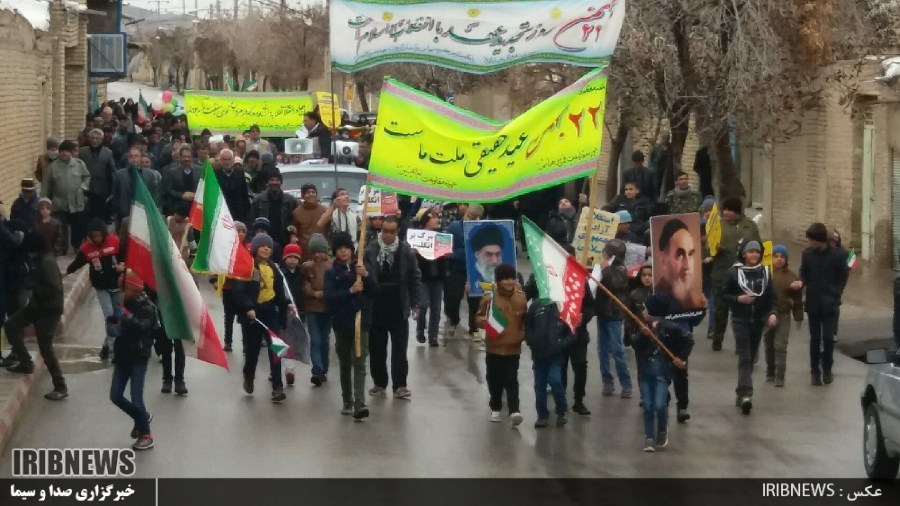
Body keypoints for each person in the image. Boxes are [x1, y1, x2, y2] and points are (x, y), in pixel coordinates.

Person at [3, 232, 68, 400]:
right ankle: (25, 362)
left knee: (46, 349)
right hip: (36, 306)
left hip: (49, 310)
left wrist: (34, 286)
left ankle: (60, 386)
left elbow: (54, 288)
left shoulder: (46, 261)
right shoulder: (38, 259)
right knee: (11, 325)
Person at [364, 216, 421, 399]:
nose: (388, 235)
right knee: (377, 349)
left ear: (397, 232)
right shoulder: (370, 250)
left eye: (392, 231)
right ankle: (379, 383)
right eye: (385, 231)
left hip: (398, 305)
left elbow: (414, 278)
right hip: (376, 306)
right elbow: (363, 278)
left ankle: (400, 385)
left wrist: (415, 303)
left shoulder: (406, 251)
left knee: (400, 349)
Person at [324, 231, 377, 419]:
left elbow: (374, 291)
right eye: (340, 248)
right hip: (341, 323)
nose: (344, 251)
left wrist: (366, 276)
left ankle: (359, 402)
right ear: (335, 251)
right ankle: (347, 400)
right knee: (345, 364)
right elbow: (329, 298)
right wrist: (350, 291)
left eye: (346, 247)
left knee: (360, 362)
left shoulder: (361, 268)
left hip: (361, 321)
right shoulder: (331, 273)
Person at [233, 233, 291, 403]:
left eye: (269, 246)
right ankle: (249, 375)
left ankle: (277, 386)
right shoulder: (248, 266)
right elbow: (239, 292)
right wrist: (248, 307)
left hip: (270, 312)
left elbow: (279, 292)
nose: (266, 249)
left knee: (276, 349)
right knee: (253, 351)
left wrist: (285, 304)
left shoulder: (274, 268)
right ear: (255, 248)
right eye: (263, 246)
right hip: (253, 314)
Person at [631, 293, 692, 452]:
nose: (643, 311)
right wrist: (642, 335)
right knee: (648, 406)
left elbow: (688, 340)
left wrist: (681, 358)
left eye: (645, 309)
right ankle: (649, 438)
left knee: (660, 404)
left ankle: (662, 430)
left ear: (653, 312)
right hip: (645, 374)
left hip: (662, 374)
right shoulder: (644, 327)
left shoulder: (670, 327)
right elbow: (634, 343)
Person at [723, 240, 777, 414]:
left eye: (757, 252)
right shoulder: (734, 273)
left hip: (758, 321)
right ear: (744, 254)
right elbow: (723, 294)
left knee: (751, 357)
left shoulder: (765, 273)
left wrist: (772, 313)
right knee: (745, 356)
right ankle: (747, 394)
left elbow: (772, 297)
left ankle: (741, 392)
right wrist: (738, 299)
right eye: (751, 251)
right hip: (740, 319)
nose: (754, 255)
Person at [107, 270, 158, 450]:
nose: (121, 292)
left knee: (136, 399)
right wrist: (113, 325)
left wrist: (127, 318)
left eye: (124, 289)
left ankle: (146, 435)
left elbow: (142, 328)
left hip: (138, 357)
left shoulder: (147, 307)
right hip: (122, 356)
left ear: (134, 289)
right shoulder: (122, 304)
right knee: (115, 396)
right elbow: (114, 323)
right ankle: (142, 416)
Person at [796, 223, 849, 386]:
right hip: (813, 302)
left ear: (819, 240)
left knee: (828, 338)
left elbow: (843, 275)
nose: (809, 243)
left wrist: (836, 291)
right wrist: (802, 283)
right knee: (815, 338)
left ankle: (827, 369)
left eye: (811, 240)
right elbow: (803, 272)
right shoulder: (807, 254)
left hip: (830, 303)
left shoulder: (838, 255)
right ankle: (815, 371)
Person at [475, 263, 527, 426]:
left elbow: (525, 321)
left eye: (512, 278)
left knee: (511, 379)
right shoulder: (489, 297)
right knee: (494, 379)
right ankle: (495, 407)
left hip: (513, 348)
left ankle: (514, 410)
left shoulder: (521, 298)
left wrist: (522, 336)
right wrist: (483, 322)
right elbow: (478, 317)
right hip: (494, 347)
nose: (509, 282)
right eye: (505, 279)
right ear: (498, 280)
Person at [66, 218, 124, 360]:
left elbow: (124, 257)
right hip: (101, 287)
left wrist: (123, 266)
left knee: (118, 316)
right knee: (109, 316)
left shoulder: (115, 242)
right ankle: (113, 351)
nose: (97, 239)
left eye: (99, 235)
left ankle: (106, 344)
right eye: (94, 236)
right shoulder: (86, 249)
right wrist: (66, 272)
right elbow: (77, 263)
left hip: (116, 286)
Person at [708, 196, 761, 350]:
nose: (726, 213)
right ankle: (717, 338)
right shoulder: (718, 225)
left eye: (729, 210)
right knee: (720, 310)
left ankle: (741, 343)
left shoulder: (749, 227)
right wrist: (714, 249)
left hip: (743, 275)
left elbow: (758, 247)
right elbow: (708, 245)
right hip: (722, 273)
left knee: (741, 312)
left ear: (737, 211)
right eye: (724, 210)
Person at [525, 297, 575, 428]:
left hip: (555, 355)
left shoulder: (563, 307)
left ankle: (561, 410)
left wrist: (561, 344)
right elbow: (528, 325)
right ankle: (542, 415)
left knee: (555, 380)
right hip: (539, 355)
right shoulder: (536, 305)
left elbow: (571, 330)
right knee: (539, 385)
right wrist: (531, 341)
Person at [594, 239, 633, 398]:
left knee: (617, 350)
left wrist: (605, 269)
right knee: (602, 349)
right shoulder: (606, 268)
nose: (603, 254)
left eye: (606, 252)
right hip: (602, 313)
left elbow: (615, 283)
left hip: (614, 315)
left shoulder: (620, 270)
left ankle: (626, 383)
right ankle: (607, 381)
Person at [42, 140, 90, 255]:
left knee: (77, 226)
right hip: (59, 202)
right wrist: (44, 201)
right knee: (61, 227)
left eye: (67, 151)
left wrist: (83, 188)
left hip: (76, 202)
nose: (64, 154)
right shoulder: (53, 167)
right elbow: (46, 186)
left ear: (71, 152)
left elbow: (87, 177)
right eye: (62, 151)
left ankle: (77, 245)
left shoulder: (79, 164)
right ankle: (62, 248)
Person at [765, 244, 803, 387]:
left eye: (782, 257)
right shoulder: (765, 273)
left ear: (786, 259)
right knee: (768, 345)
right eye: (775, 256)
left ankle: (780, 376)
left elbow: (797, 300)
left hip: (784, 314)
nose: (779, 259)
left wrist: (798, 317)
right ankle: (770, 371)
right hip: (767, 315)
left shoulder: (791, 277)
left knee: (780, 345)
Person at [443, 204, 482, 338]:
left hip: (475, 270)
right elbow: (444, 243)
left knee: (475, 301)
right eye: (467, 216)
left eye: (473, 218)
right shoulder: (454, 227)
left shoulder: (481, 229)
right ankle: (454, 320)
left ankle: (474, 328)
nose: (468, 219)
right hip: (456, 268)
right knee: (453, 298)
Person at [654, 218, 704, 312]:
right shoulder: (659, 296)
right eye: (680, 255)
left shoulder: (692, 298)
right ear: (663, 259)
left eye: (690, 254)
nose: (687, 265)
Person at [302, 233, 333, 385]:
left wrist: (328, 294)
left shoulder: (331, 266)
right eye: (314, 252)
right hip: (312, 308)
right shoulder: (307, 267)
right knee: (315, 339)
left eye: (320, 251)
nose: (317, 255)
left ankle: (324, 367)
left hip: (327, 308)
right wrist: (314, 293)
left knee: (324, 339)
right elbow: (305, 285)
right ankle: (317, 369)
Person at [413, 210, 446, 347]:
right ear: (426, 221)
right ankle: (420, 329)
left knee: (436, 308)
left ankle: (433, 336)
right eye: (433, 218)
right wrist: (414, 252)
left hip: (437, 277)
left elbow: (446, 255)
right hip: (423, 277)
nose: (436, 220)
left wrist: (447, 254)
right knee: (422, 305)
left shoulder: (441, 236)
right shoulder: (418, 237)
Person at [113, 147, 162, 230]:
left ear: (140, 158)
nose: (134, 159)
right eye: (131, 156)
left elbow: (154, 195)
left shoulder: (150, 174)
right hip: (124, 216)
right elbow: (115, 195)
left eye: (136, 156)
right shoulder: (120, 175)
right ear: (128, 159)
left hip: (144, 215)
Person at [80, 128, 118, 224]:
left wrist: (113, 189)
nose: (94, 140)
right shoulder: (83, 152)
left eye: (97, 138)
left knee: (100, 215)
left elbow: (112, 171)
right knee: (86, 215)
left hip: (101, 189)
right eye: (92, 138)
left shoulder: (108, 152)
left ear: (101, 140)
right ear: (89, 139)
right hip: (85, 189)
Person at [279, 243, 304, 386]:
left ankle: (290, 369)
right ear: (284, 258)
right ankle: (278, 367)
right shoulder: (280, 273)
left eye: (296, 257)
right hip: (283, 310)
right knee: (282, 340)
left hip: (298, 310)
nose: (293, 260)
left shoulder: (302, 273)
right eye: (290, 257)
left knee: (293, 341)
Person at [251, 174, 297, 248]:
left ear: (281, 182)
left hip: (284, 241)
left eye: (277, 180)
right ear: (267, 182)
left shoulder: (290, 201)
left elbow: (294, 221)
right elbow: (252, 220)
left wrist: (292, 233)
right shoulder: (258, 200)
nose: (274, 182)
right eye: (272, 180)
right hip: (264, 241)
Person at [289, 183, 328, 262]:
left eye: (313, 192)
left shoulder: (325, 210)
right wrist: (293, 237)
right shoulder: (296, 212)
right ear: (302, 196)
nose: (311, 194)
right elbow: (294, 230)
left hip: (322, 251)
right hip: (304, 251)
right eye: (308, 192)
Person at [161, 145, 200, 216]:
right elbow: (169, 190)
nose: (186, 159)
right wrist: (182, 195)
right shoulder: (172, 172)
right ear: (180, 157)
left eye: (188, 157)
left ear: (192, 157)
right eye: (184, 157)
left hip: (197, 203)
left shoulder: (200, 170)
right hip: (178, 204)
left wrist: (196, 195)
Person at [215, 149, 251, 225]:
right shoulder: (216, 174)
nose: (227, 162)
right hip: (223, 211)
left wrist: (247, 211)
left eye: (229, 159)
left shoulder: (240, 172)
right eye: (224, 159)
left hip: (239, 212)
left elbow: (244, 192)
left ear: (233, 160)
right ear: (220, 161)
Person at [469, 222, 508, 286]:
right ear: (477, 255)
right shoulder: (468, 277)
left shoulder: (511, 277)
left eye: (497, 254)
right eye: (489, 254)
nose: (494, 261)